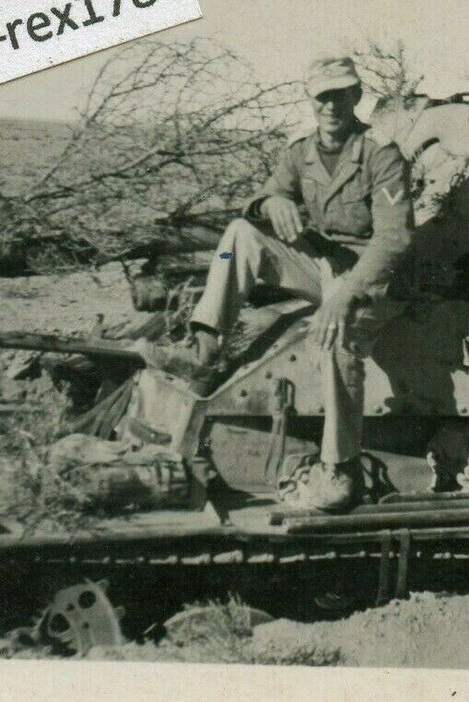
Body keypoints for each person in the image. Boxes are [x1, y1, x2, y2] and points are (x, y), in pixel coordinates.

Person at [139, 56, 414, 513]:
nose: (331, 105)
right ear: (310, 99)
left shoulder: (380, 153)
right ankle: (205, 349)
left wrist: (341, 299)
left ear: (357, 96)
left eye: (341, 95)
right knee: (239, 236)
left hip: (373, 280)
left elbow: (395, 239)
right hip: (322, 265)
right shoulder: (301, 150)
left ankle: (339, 470)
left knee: (334, 335)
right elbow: (263, 196)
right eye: (322, 95)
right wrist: (270, 205)